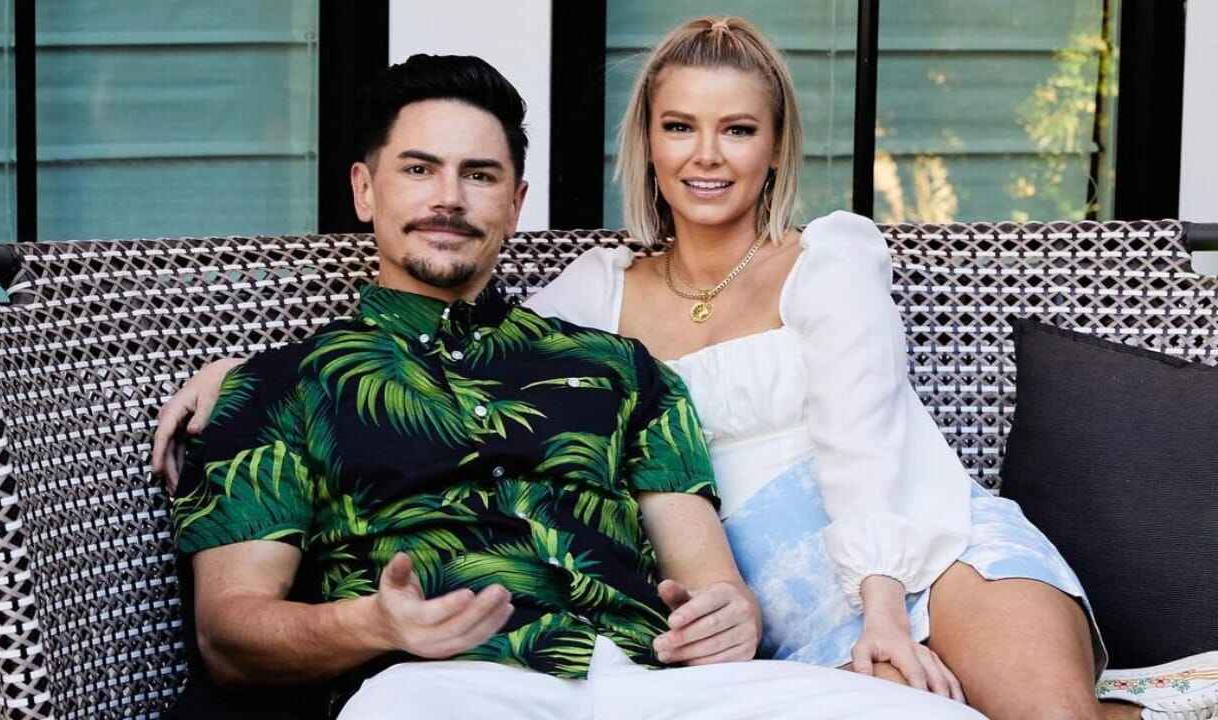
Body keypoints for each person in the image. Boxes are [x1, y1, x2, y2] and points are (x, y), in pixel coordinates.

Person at [160, 52, 984, 720]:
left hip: (657, 685)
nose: (449, 199)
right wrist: (373, 622)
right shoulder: (281, 390)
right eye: (420, 169)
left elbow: (711, 578)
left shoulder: (621, 370)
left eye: (480, 176)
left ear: (516, 204)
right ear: (365, 189)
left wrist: (732, 616)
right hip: (442, 684)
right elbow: (230, 634)